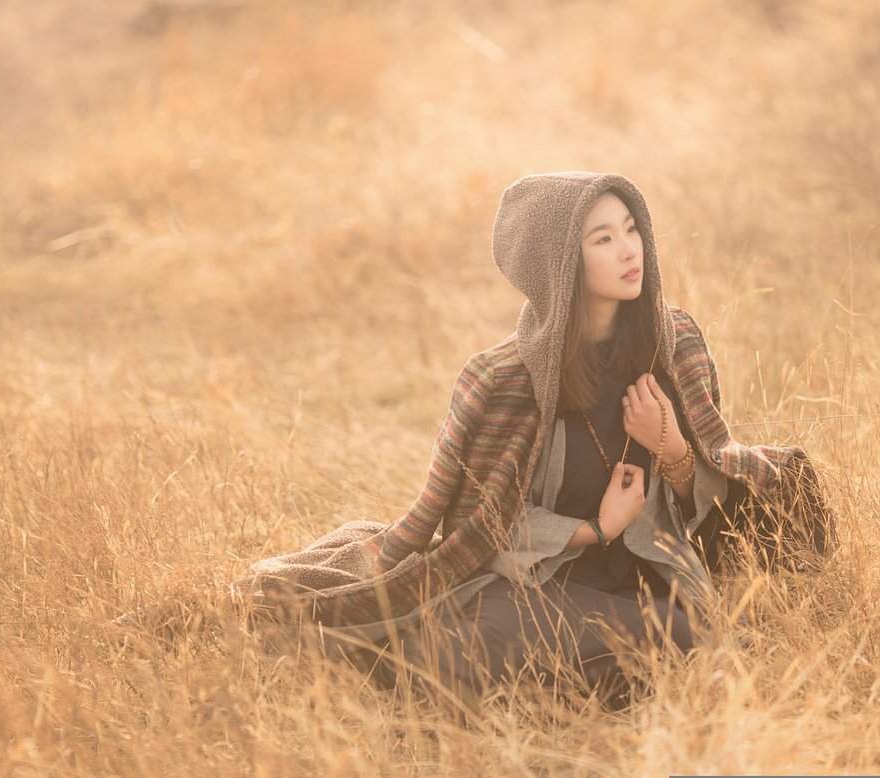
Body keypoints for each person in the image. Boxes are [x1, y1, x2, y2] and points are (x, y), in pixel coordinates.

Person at [245, 171, 834, 722]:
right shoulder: (501, 381)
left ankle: (548, 673)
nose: (630, 251)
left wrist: (673, 448)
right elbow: (480, 527)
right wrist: (595, 529)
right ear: (558, 263)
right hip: (531, 589)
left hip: (643, 580)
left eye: (633, 230)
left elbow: (710, 504)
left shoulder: (672, 344)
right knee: (516, 637)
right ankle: (429, 658)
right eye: (603, 238)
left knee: (685, 634)